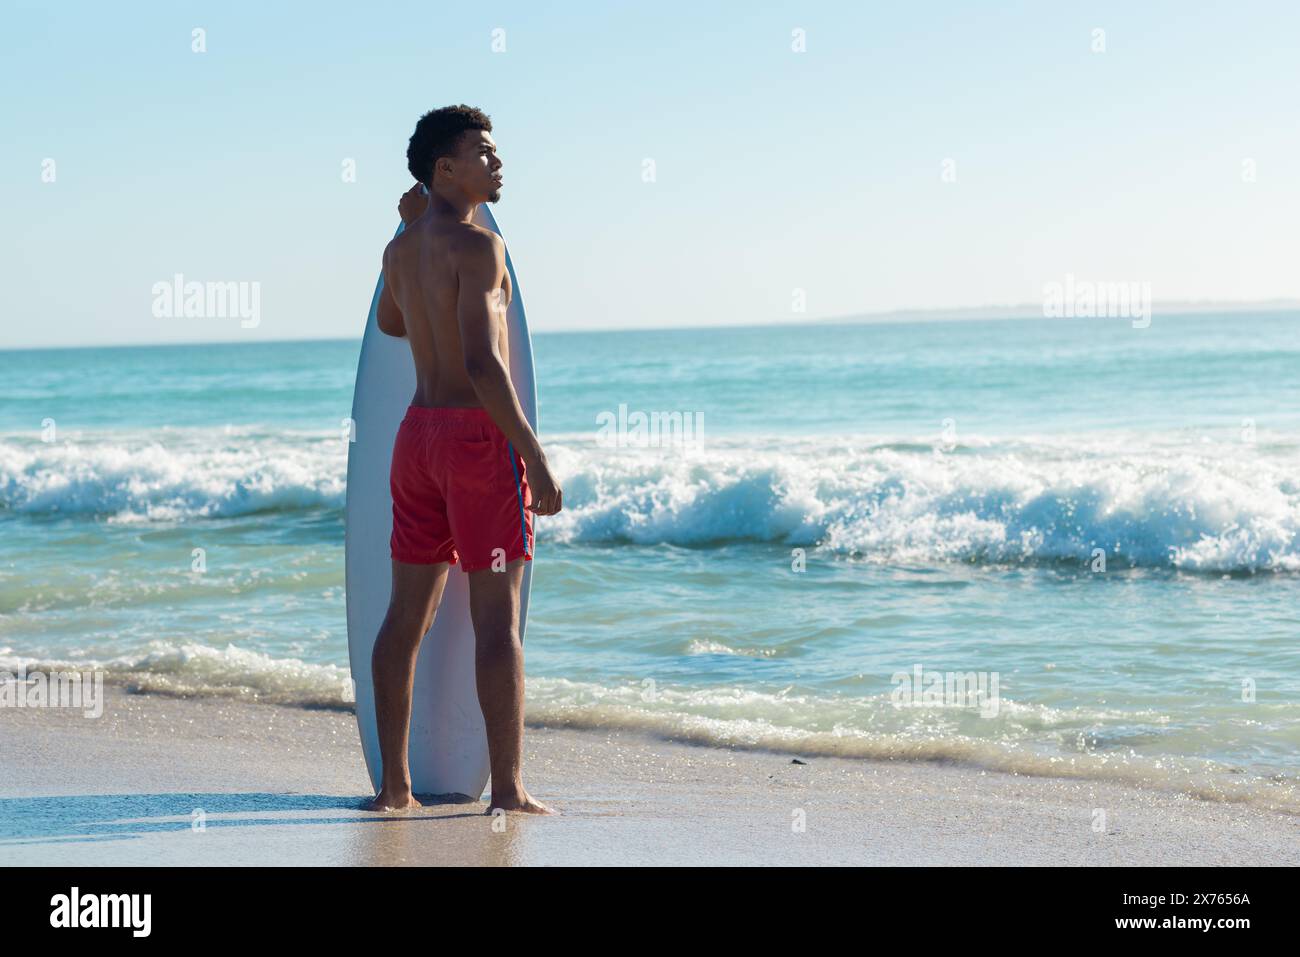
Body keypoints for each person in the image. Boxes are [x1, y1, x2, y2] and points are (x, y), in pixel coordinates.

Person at [368, 105, 561, 815]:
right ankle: (507, 789)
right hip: (477, 446)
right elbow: (483, 362)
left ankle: (394, 786)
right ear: (445, 169)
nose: (497, 161)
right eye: (482, 152)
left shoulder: (401, 251)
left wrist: (412, 224)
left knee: (404, 615)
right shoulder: (481, 249)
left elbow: (394, 322)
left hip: (415, 439)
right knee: (496, 620)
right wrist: (533, 457)